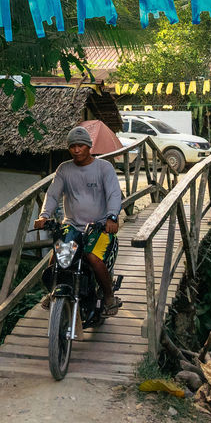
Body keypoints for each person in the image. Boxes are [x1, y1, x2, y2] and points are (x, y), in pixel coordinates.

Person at [34, 126, 123, 314]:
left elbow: (114, 194)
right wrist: (44, 215)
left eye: (80, 146)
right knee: (59, 254)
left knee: (92, 257)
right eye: (72, 146)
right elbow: (52, 194)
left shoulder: (103, 168)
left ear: (89, 147)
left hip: (99, 226)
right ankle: (53, 292)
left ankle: (108, 296)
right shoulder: (64, 169)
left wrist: (112, 217)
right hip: (72, 225)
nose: (76, 150)